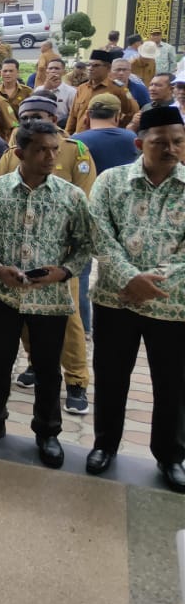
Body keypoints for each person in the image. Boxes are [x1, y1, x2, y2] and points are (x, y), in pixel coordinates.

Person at [0, 121, 94, 468]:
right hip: (2, 295)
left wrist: (63, 272)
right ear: (20, 153)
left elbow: (85, 245)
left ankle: (48, 432)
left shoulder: (71, 196)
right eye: (41, 150)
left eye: (55, 149)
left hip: (49, 300)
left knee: (48, 370)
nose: (51, 157)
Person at [85, 105, 185, 491]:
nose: (171, 149)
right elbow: (98, 233)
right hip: (115, 299)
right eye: (161, 142)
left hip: (172, 304)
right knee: (111, 377)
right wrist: (129, 277)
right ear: (140, 144)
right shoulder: (111, 181)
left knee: (173, 384)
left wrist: (151, 282)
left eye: (178, 141)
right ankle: (104, 445)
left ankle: (171, 456)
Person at [66, 49, 139, 133]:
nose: (90, 68)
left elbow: (131, 111)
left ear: (108, 68)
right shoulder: (82, 88)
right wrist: (67, 135)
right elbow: (73, 116)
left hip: (105, 137)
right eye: (89, 65)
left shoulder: (118, 89)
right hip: (81, 137)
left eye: (96, 65)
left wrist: (118, 129)